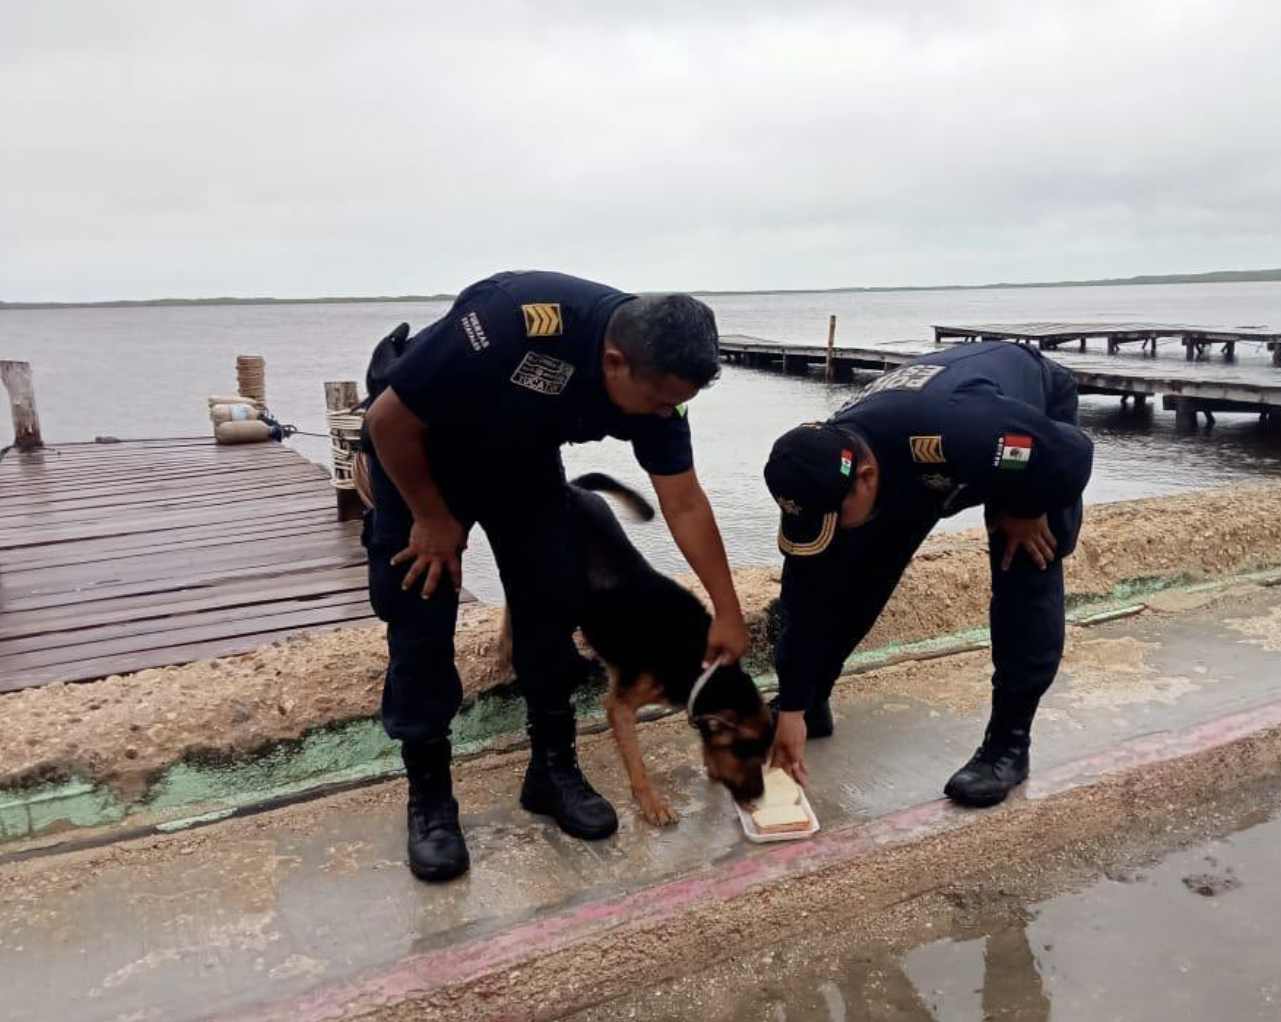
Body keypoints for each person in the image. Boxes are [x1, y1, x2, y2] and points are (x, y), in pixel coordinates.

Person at [363, 271, 749, 882]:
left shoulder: (660, 387)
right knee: (420, 618)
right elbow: (388, 420)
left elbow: (684, 502)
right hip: (423, 455)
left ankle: (551, 770)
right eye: (657, 402)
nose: (664, 416)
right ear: (615, 362)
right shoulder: (511, 320)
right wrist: (432, 518)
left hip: (522, 459)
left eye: (675, 405)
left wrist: (725, 610)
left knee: (551, 599)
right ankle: (432, 801)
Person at [763, 340, 1092, 807]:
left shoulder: (965, 431)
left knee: (1023, 562)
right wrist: (793, 705)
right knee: (845, 572)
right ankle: (815, 702)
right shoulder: (826, 464)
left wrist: (1025, 505)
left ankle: (1008, 747)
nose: (824, 530)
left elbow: (1074, 453)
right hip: (919, 461)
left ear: (867, 477)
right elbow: (805, 590)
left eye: (832, 516)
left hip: (1029, 440)